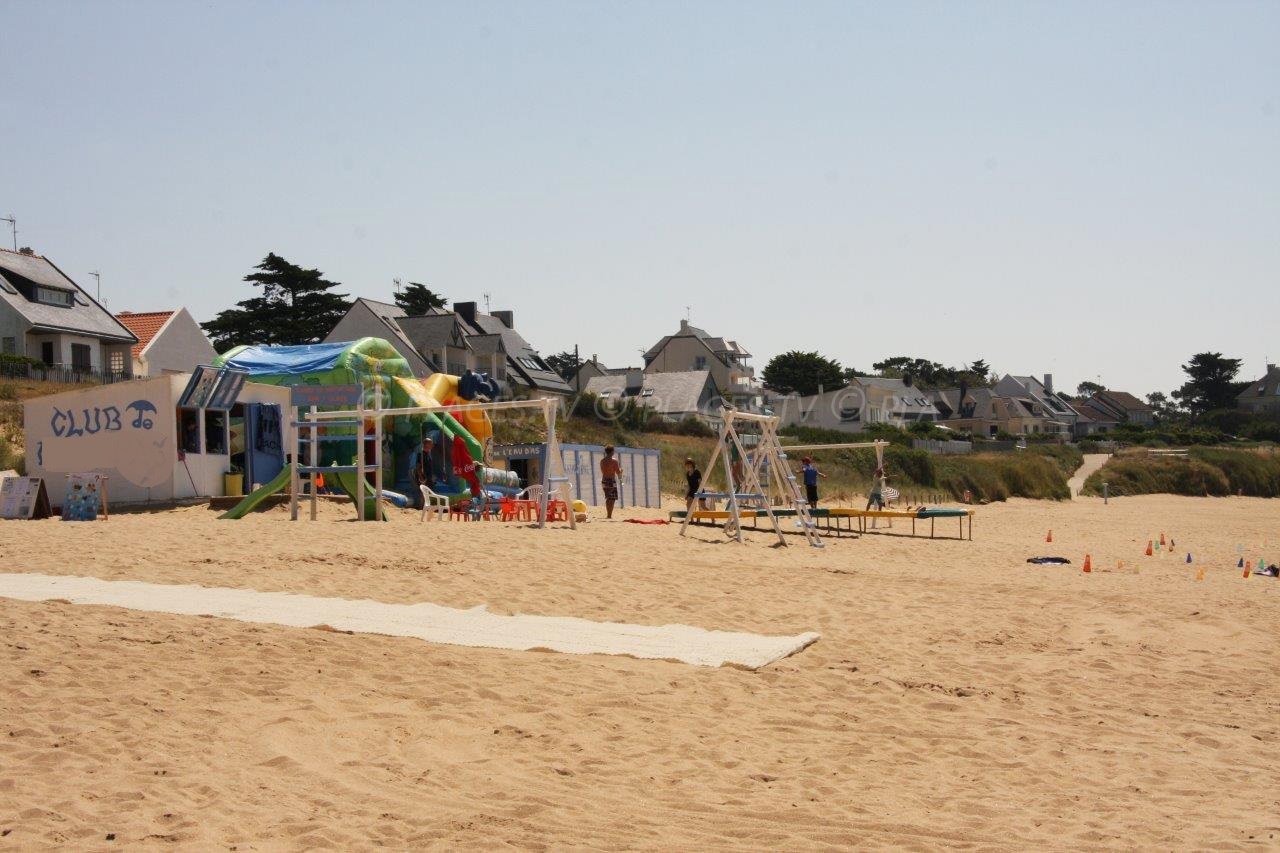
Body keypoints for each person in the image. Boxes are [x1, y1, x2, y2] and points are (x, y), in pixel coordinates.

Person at [412, 435, 435, 507]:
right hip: (423, 477)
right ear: (426, 444)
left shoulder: (428, 454)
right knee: (423, 493)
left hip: (428, 476)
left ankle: (425, 506)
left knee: (427, 493)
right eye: (430, 444)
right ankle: (421, 507)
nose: (432, 445)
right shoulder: (421, 454)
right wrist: (421, 477)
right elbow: (418, 467)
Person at [600, 445, 623, 519]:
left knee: (608, 497)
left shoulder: (602, 461)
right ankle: (609, 515)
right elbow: (618, 473)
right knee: (612, 498)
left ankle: (608, 515)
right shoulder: (614, 461)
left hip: (604, 480)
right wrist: (621, 471)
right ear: (612, 452)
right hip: (611, 480)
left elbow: (603, 471)